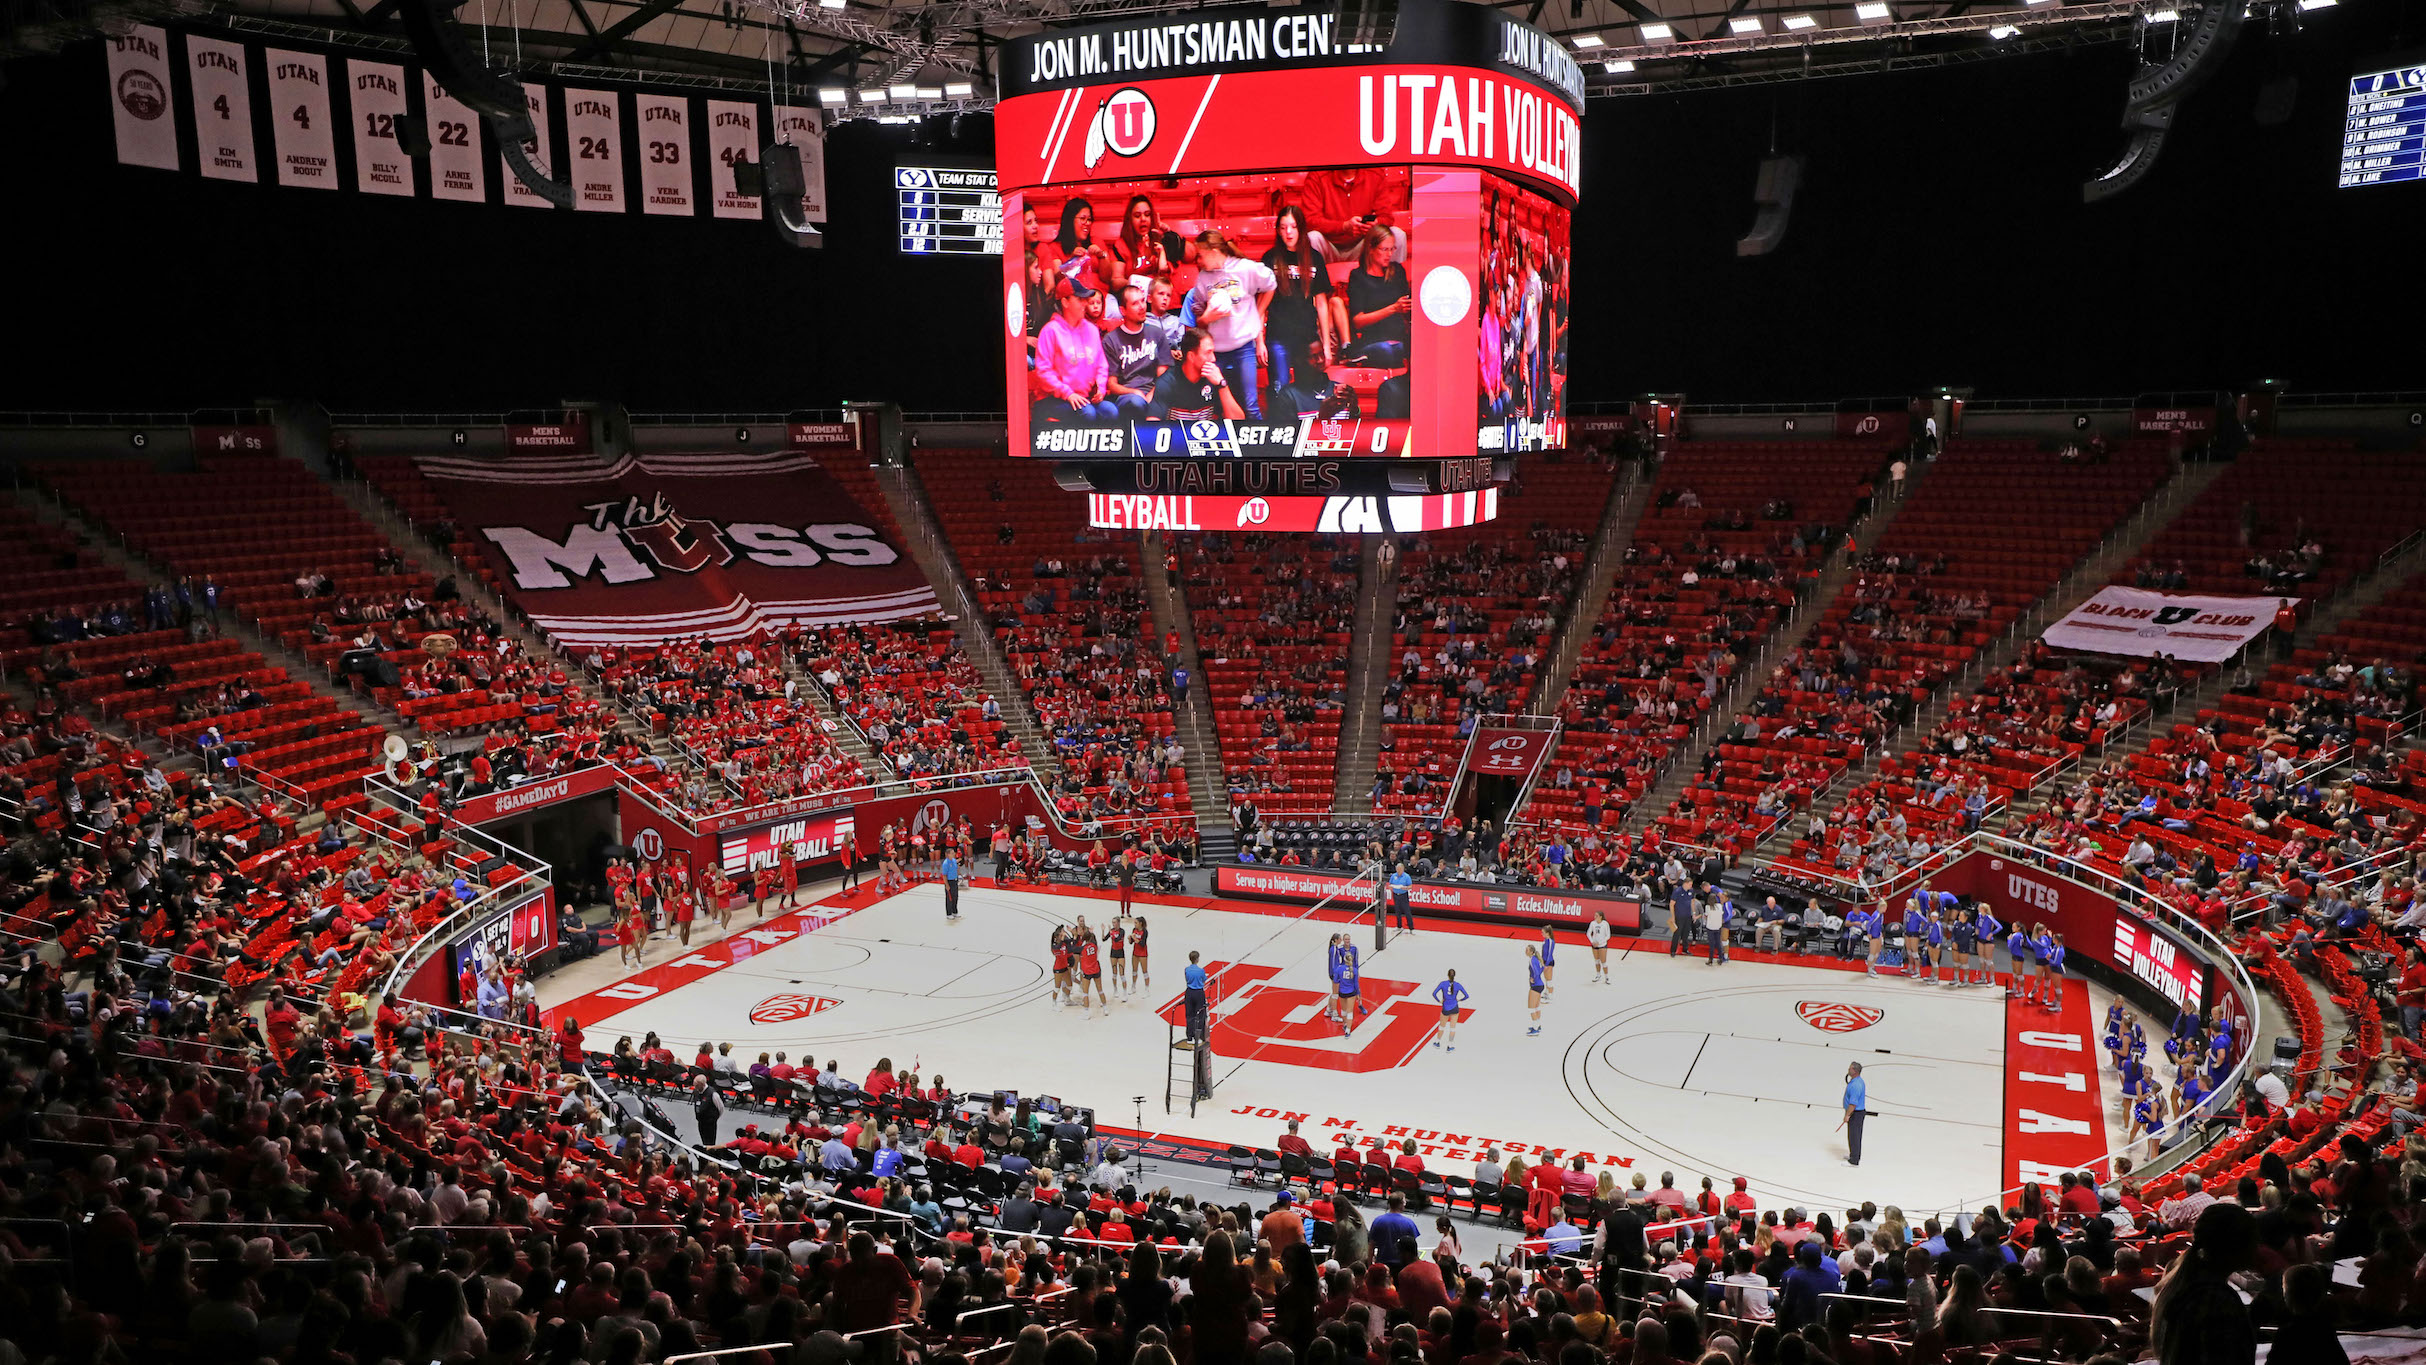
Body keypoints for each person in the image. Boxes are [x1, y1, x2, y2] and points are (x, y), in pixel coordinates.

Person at [1181, 230, 1277, 420]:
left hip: (1244, 348)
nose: (1197, 261)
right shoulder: (1203, 278)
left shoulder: (1245, 268)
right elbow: (1199, 319)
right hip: (1216, 351)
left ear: (1214, 251)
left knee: (1250, 405)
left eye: (1200, 255)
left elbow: (1271, 284)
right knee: (1215, 405)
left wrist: (1257, 315)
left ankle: (1260, 448)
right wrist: (1206, 318)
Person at [2148, 1202, 2258, 1365]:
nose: (2257, 1247)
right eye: (2253, 1240)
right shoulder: (2217, 1300)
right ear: (2234, 1246)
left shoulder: (2190, 1287)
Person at [1259, 205, 1339, 403]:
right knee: (1280, 389)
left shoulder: (1315, 258)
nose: (1288, 232)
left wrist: (1326, 346)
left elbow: (1321, 303)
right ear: (1278, 230)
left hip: (1308, 338)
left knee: (1307, 390)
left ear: (1301, 229)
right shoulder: (1269, 258)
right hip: (1278, 336)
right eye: (1284, 227)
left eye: (1293, 227)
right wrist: (1259, 341)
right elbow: (1260, 306)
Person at [1032, 278, 1118, 425]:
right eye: (1080, 299)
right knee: (1087, 413)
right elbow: (1043, 372)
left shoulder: (1091, 329)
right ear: (1065, 302)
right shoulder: (1051, 331)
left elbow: (1101, 365)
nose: (1085, 304)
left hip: (1085, 397)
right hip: (1054, 399)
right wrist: (1068, 394)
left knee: (1111, 411)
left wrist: (1100, 388)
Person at [1341, 229, 1411, 370]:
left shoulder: (1397, 271)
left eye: (1392, 249)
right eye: (1384, 249)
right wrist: (1393, 309)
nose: (1389, 254)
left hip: (1398, 338)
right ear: (1371, 249)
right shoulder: (1358, 277)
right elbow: (1358, 322)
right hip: (1373, 340)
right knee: (1386, 350)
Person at [1146, 327, 1245, 421]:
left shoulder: (1216, 379)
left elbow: (1238, 422)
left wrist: (1222, 386)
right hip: (1178, 437)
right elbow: (1152, 422)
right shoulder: (1168, 381)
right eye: (1208, 353)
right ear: (1191, 356)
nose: (1213, 359)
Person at [1100, 285, 1164, 419]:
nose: (1142, 306)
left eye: (1142, 300)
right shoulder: (1111, 340)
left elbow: (1164, 376)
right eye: (1135, 303)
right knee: (1136, 403)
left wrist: (1153, 393)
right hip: (1127, 396)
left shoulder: (1157, 333)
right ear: (1123, 310)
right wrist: (1135, 392)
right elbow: (1112, 384)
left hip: (1156, 391)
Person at [1432, 969, 1468, 1051]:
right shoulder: (1458, 985)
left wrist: (1439, 1001)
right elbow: (1466, 996)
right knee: (1453, 1028)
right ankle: (1450, 1045)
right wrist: (1459, 1000)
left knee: (1442, 1026)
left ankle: (1437, 1042)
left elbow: (1434, 993)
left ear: (1447, 975)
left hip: (1445, 1008)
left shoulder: (1443, 984)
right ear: (1454, 975)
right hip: (1455, 1007)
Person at [1840, 1061, 1868, 1167]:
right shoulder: (1855, 1081)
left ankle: (1854, 1160)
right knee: (1852, 1135)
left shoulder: (1856, 1085)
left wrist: (1847, 1115)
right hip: (1855, 1113)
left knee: (1854, 1136)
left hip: (1855, 1113)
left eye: (1850, 1068)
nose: (1848, 1069)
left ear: (1855, 1071)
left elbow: (1853, 1103)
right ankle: (1853, 1155)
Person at [1183, 950, 1209, 1040]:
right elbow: (1203, 979)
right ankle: (1199, 1035)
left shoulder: (1187, 970)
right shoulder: (1201, 971)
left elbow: (1187, 979)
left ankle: (1189, 1036)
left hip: (1189, 992)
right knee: (1200, 1014)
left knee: (1189, 1014)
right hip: (1198, 993)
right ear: (1197, 959)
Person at [1524, 943, 1546, 1037]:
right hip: (1540, 985)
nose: (1526, 951)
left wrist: (1533, 978)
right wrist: (1536, 976)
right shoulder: (1536, 959)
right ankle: (1537, 1025)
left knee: (1531, 1008)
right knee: (1537, 1007)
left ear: (1531, 952)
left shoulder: (1532, 960)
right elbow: (1542, 968)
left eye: (1527, 950)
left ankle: (1535, 1029)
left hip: (1535, 986)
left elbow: (1537, 972)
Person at [1387, 861, 1414, 933]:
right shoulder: (1393, 876)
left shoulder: (1406, 876)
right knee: (1397, 911)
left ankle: (1411, 928)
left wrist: (1405, 888)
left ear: (1402, 869)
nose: (1398, 871)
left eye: (1399, 869)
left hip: (1403, 895)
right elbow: (1390, 884)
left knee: (1407, 911)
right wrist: (1390, 887)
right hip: (1396, 895)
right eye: (1397, 869)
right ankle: (1399, 926)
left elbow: (1410, 886)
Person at [1537, 924, 1557, 999]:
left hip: (1549, 962)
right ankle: (1547, 992)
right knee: (1546, 978)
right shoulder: (1545, 940)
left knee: (1549, 980)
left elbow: (1549, 954)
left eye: (1543, 932)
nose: (1541, 934)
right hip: (1544, 961)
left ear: (1547, 933)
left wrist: (1546, 965)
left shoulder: (1551, 941)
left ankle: (1551, 995)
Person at [941, 849, 960, 920]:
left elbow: (956, 869)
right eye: (952, 853)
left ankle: (955, 911)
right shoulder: (946, 863)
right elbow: (944, 875)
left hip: (955, 880)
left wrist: (959, 875)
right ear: (948, 854)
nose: (954, 854)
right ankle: (949, 913)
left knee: (955, 897)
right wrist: (947, 885)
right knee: (949, 898)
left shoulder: (954, 860)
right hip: (949, 882)